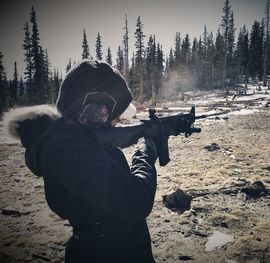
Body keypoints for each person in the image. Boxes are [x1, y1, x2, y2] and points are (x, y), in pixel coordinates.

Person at [4, 60, 158, 262]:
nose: (116, 122)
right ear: (91, 112)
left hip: (117, 246)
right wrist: (145, 151)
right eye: (111, 116)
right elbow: (137, 200)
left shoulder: (79, 143)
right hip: (106, 252)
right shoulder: (67, 152)